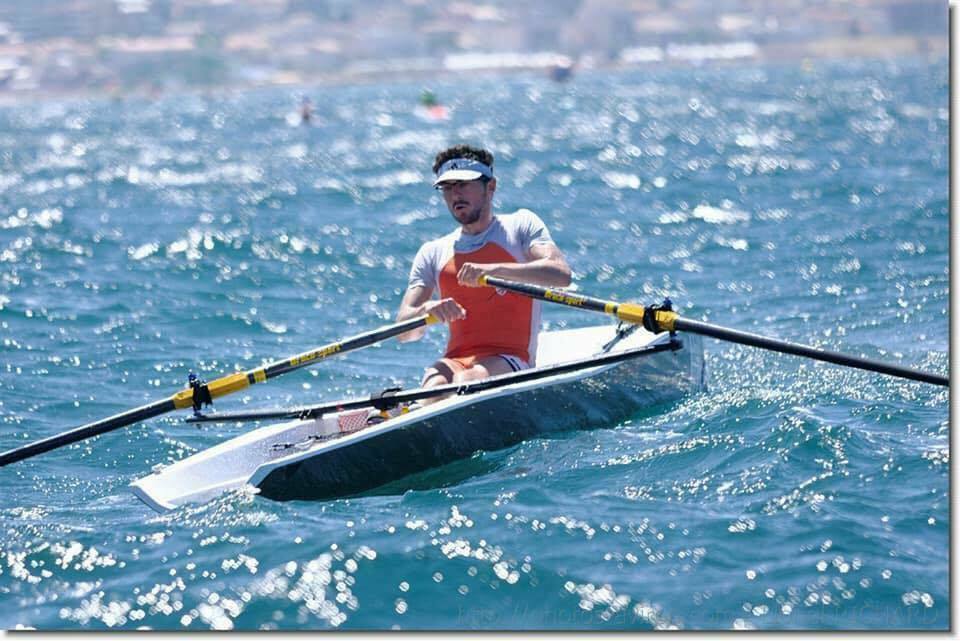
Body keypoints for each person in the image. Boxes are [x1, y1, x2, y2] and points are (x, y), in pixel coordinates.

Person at [397, 144, 572, 392]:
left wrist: (494, 270)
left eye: (463, 184)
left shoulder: (520, 226)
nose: (455, 194)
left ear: (491, 187)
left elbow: (560, 274)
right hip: (455, 360)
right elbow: (404, 333)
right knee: (435, 386)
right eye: (447, 187)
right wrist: (426, 310)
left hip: (510, 358)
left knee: (466, 381)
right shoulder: (432, 252)